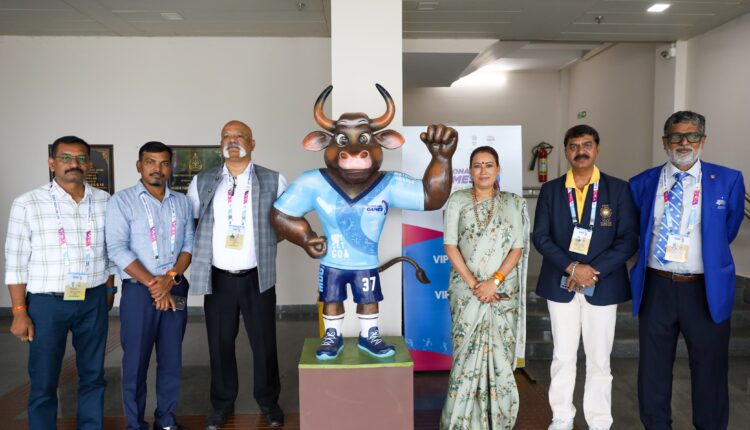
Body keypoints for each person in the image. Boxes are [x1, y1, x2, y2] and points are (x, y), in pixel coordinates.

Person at [629, 111, 745, 430]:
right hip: (657, 287)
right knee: (653, 370)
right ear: (664, 141)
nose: (684, 142)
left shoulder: (728, 180)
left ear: (703, 140)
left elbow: (727, 230)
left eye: (692, 135)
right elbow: (637, 230)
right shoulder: (642, 183)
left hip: (704, 289)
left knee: (710, 370)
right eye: (676, 136)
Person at [5, 136, 116, 430]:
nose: (73, 164)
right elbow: (15, 261)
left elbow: (111, 251)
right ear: (52, 162)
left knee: (93, 375)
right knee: (44, 379)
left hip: (93, 299)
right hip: (47, 304)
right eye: (66, 158)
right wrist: (19, 311)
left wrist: (109, 288)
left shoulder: (105, 201)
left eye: (80, 158)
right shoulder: (27, 203)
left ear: (89, 164)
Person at [533, 125, 638, 430]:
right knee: (563, 355)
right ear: (567, 151)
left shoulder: (618, 189)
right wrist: (572, 267)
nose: (581, 151)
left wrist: (591, 271)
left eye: (587, 144)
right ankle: (562, 417)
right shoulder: (551, 190)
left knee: (599, 359)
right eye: (574, 145)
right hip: (561, 282)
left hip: (602, 284)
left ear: (597, 149)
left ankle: (599, 421)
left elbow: (628, 239)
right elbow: (541, 237)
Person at [186, 120, 287, 429]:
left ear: (252, 143)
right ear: (221, 143)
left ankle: (269, 403)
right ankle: (221, 405)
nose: (232, 141)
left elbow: (285, 223)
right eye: (226, 136)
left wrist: (263, 243)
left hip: (258, 276)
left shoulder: (274, 179)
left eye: (239, 136)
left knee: (264, 343)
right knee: (219, 344)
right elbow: (194, 223)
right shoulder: (202, 181)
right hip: (218, 278)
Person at [105, 142, 194, 430]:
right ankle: (135, 424)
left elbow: (188, 246)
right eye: (150, 162)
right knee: (135, 362)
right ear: (139, 165)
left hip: (175, 286)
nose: (158, 168)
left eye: (164, 163)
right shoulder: (122, 201)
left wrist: (169, 279)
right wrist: (154, 285)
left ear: (171, 166)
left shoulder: (182, 202)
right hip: (139, 291)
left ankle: (166, 420)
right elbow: (116, 248)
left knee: (171, 359)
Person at [439, 146, 528, 430]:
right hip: (467, 292)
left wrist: (495, 281)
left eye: (489, 165)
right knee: (465, 358)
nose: (483, 170)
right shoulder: (458, 200)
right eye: (477, 165)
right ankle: (460, 423)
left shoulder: (513, 203)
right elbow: (450, 245)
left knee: (500, 357)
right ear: (470, 170)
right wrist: (475, 284)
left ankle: (496, 421)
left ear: (498, 169)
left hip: (501, 291)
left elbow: (517, 248)